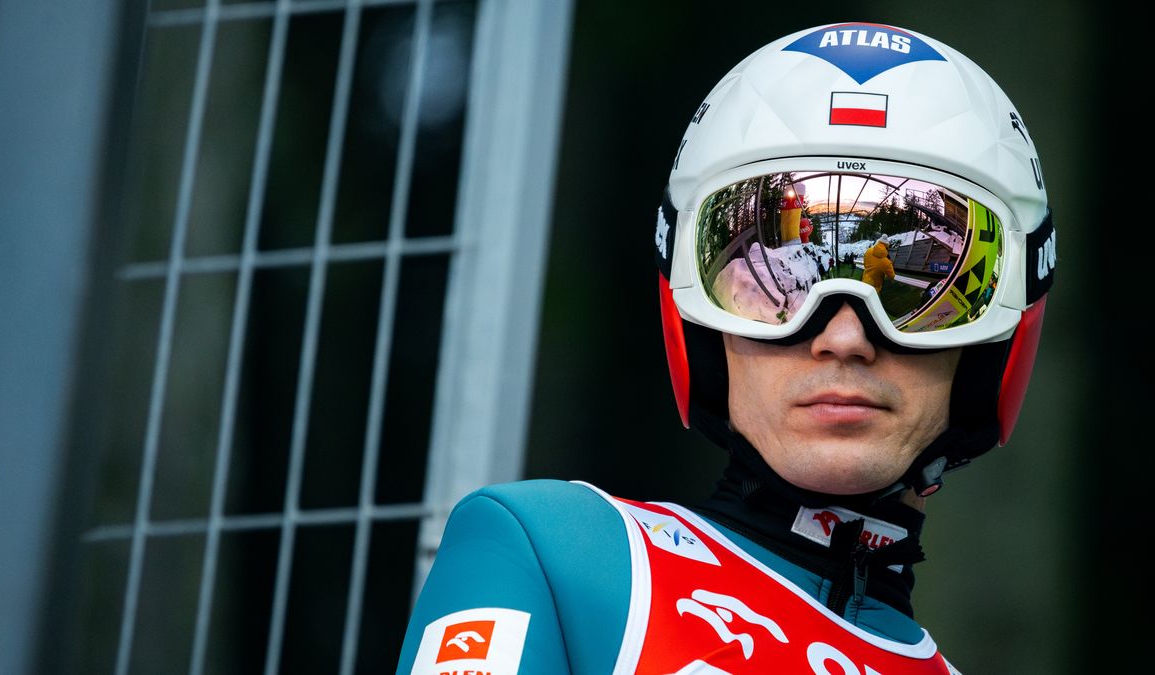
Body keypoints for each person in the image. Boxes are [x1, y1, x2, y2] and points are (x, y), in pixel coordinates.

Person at [396, 21, 1055, 675]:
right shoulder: (554, 551)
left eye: (918, 300)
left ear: (993, 343)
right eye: (775, 297)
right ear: (700, 325)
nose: (846, 337)